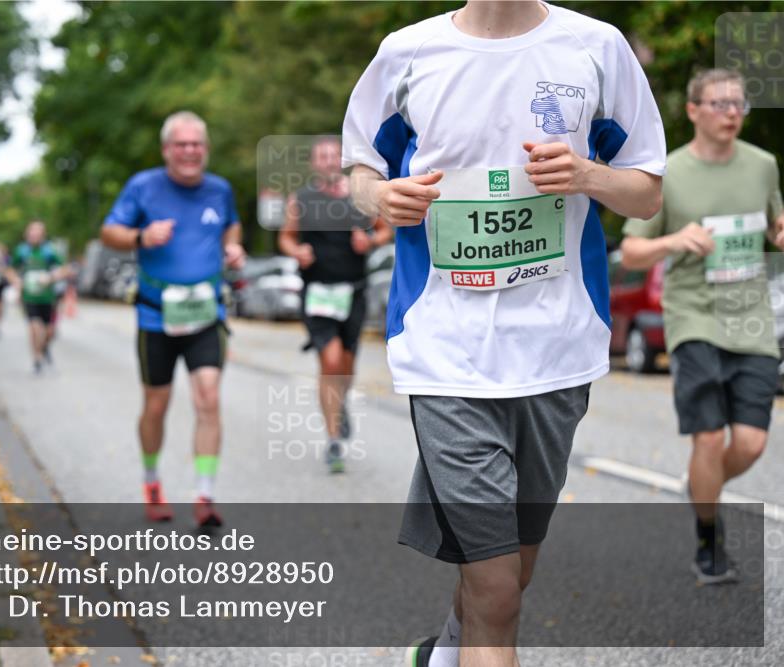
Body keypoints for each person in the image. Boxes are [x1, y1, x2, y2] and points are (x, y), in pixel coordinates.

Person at [341, 2, 666, 665]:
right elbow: (358, 171)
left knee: (512, 573)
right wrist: (380, 198)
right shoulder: (407, 53)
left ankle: (441, 653)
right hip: (444, 348)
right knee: (496, 591)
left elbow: (647, 192)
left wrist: (588, 175)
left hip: (557, 348)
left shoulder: (596, 49)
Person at [621, 68, 784, 586]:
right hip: (694, 317)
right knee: (709, 440)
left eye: (739, 104)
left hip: (753, 319)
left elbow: (775, 226)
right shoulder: (667, 173)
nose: (732, 113)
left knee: (753, 444)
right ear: (693, 110)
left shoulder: (763, 167)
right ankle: (709, 541)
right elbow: (630, 250)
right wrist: (674, 242)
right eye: (720, 103)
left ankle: (700, 483)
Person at [100, 111, 246, 527]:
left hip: (205, 313)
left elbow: (231, 226)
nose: (189, 151)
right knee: (156, 405)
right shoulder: (143, 187)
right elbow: (108, 232)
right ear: (167, 149)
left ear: (206, 149)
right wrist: (140, 237)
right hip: (155, 317)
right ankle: (151, 482)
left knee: (208, 398)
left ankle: (204, 495)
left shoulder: (219, 189)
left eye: (196, 144)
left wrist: (232, 248)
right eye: (181, 144)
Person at [278, 136, 391, 473]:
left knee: (346, 364)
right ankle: (333, 441)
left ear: (340, 160)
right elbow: (285, 236)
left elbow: (385, 230)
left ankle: (339, 407)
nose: (328, 161)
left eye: (333, 156)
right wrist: (296, 251)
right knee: (329, 360)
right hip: (317, 292)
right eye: (321, 156)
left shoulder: (359, 197)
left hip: (354, 290)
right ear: (314, 164)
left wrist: (369, 241)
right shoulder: (301, 199)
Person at [6, 221, 68, 374]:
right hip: (29, 297)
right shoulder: (21, 251)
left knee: (49, 332)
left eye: (37, 233)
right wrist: (16, 281)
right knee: (34, 328)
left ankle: (44, 348)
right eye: (31, 233)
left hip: (47, 297)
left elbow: (65, 269)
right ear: (27, 235)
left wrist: (50, 277)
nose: (34, 236)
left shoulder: (49, 251)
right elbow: (10, 270)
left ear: (42, 235)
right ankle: (37, 359)